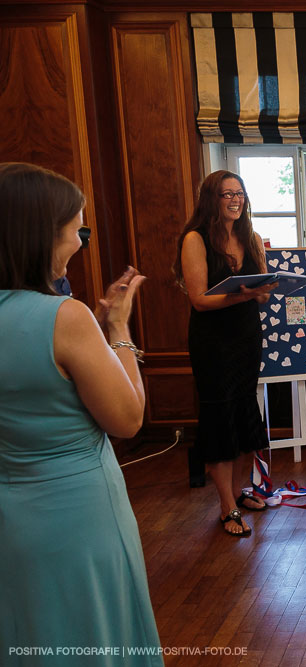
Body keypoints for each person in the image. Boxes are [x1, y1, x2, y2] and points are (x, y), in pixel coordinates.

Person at [0, 162, 162, 662]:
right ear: (40, 236)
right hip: (77, 520)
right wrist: (116, 331)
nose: (80, 243)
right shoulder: (65, 318)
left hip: (13, 519)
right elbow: (128, 418)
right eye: (76, 231)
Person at [175, 170, 275, 537]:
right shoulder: (195, 239)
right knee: (220, 416)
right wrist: (244, 294)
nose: (235, 199)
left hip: (247, 336)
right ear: (211, 199)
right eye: (226, 194)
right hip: (213, 341)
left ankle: (239, 491)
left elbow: (262, 293)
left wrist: (265, 288)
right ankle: (225, 507)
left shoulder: (251, 238)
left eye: (240, 193)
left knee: (245, 410)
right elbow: (199, 300)